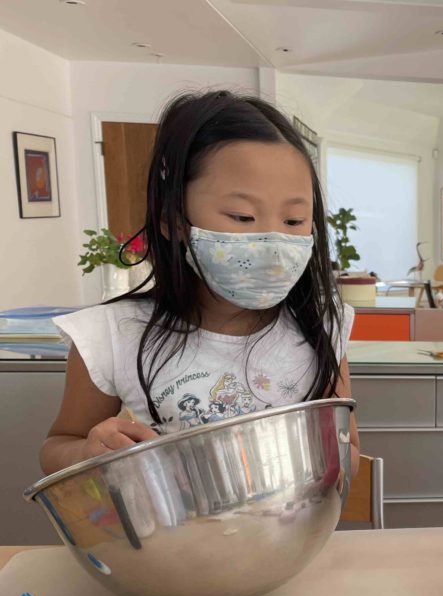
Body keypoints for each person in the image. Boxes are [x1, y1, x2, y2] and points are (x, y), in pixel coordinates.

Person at [40, 90, 358, 473]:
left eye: (293, 221)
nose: (273, 243)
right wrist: (90, 451)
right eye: (242, 216)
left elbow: (349, 450)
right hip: (172, 531)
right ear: (171, 219)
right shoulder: (112, 335)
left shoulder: (321, 325)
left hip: (293, 529)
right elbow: (59, 447)